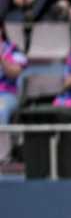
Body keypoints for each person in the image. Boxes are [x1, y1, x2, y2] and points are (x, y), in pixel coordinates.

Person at [0, 31, 25, 162]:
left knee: (0, 111)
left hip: (6, 94)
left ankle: (2, 155)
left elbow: (15, 73)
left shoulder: (13, 49)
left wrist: (2, 59)